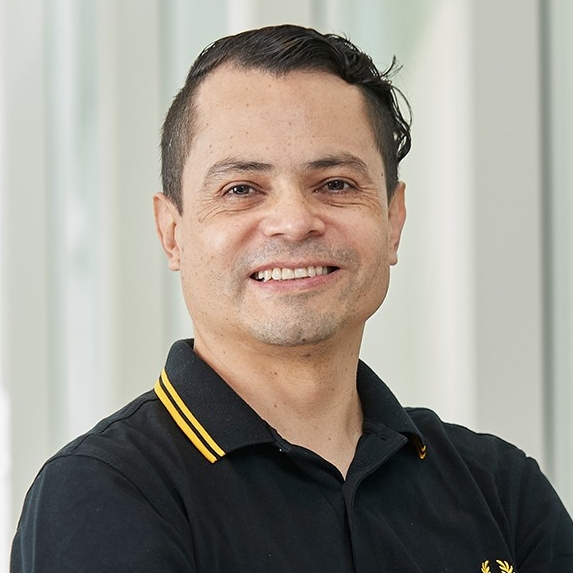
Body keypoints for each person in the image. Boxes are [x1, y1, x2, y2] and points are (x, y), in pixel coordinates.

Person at [11, 24, 573, 573]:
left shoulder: (501, 490)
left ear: (393, 220)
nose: (294, 221)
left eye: (336, 184)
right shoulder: (103, 492)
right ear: (172, 232)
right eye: (240, 189)